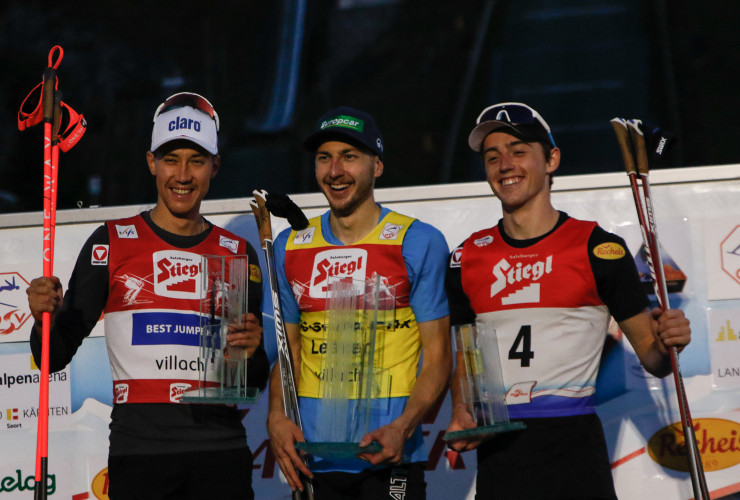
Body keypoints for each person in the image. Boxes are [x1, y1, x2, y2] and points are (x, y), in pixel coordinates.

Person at [26, 92, 269, 499]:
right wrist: (41, 317)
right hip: (141, 456)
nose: (183, 175)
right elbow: (54, 354)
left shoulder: (237, 254)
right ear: (151, 163)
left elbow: (253, 378)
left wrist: (251, 353)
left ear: (215, 166)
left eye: (197, 160)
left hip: (220, 454)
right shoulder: (111, 243)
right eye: (171, 159)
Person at [444, 102, 692, 499]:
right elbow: (466, 355)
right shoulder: (465, 257)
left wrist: (668, 340)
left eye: (519, 151)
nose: (505, 164)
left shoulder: (599, 249)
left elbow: (653, 358)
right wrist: (462, 410)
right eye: (493, 157)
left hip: (574, 453)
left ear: (552, 159)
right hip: (500, 459)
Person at [266, 106, 451, 499]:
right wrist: (276, 416)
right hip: (312, 458)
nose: (335, 171)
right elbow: (289, 351)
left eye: (349, 156)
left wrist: (403, 427)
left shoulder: (417, 241)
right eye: (324, 158)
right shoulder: (289, 247)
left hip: (388, 457)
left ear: (377, 166)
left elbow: (438, 358)